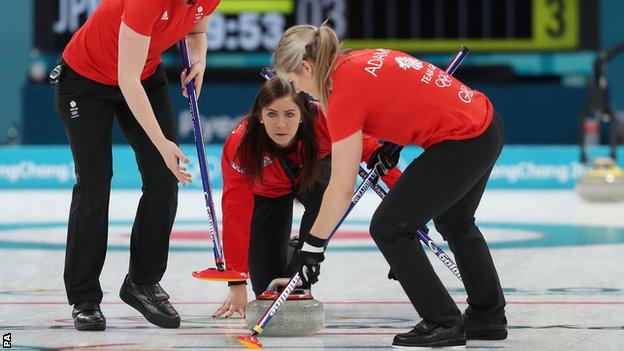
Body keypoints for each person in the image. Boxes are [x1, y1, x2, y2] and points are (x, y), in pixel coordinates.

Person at [273, 24, 507, 348]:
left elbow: (341, 187)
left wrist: (312, 247)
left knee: (389, 227)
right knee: (455, 221)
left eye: (294, 80)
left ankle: (443, 321)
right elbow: (406, 99)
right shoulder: (353, 63)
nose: (297, 90)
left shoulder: (341, 94)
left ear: (307, 68)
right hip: (484, 125)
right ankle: (488, 316)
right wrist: (390, 145)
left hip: (464, 141)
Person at [53, 0, 221, 331]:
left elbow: (197, 30)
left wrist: (199, 58)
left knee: (163, 180)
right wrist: (162, 143)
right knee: (95, 182)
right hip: (86, 80)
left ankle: (142, 283)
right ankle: (84, 297)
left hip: (144, 74)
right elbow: (126, 80)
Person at [211, 77, 402, 319]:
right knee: (269, 290)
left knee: (296, 286)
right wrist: (236, 282)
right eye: (272, 114)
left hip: (315, 177)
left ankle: (307, 246)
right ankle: (294, 248)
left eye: (290, 114)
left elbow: (372, 153)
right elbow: (235, 213)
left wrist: (408, 215)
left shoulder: (325, 120)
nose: (281, 124)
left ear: (303, 114)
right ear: (259, 115)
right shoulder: (241, 146)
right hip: (270, 192)